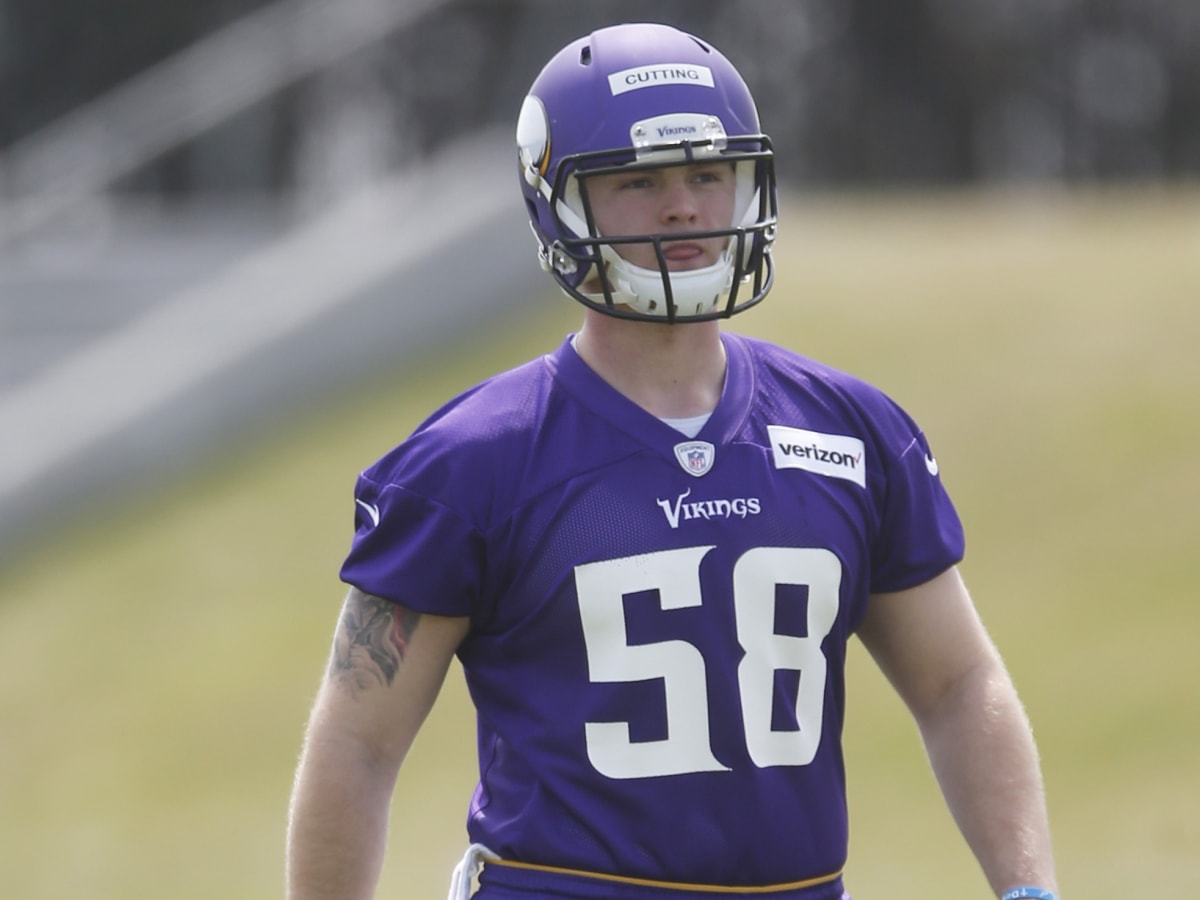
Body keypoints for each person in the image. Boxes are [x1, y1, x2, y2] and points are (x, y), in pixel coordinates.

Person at [286, 22, 1060, 900]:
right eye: (638, 181)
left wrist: (1026, 888)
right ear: (559, 201)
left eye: (707, 173)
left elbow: (958, 682)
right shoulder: (473, 462)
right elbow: (358, 741)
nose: (684, 207)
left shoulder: (852, 434)